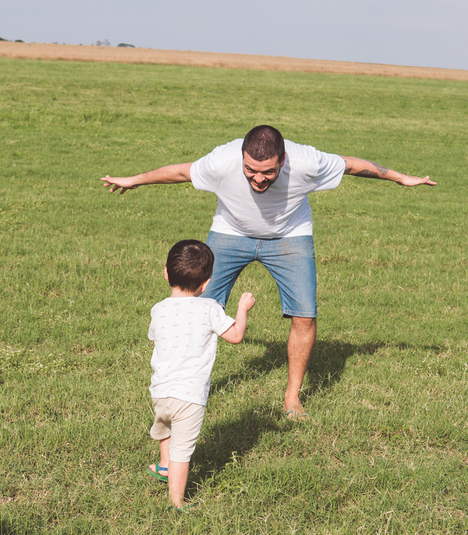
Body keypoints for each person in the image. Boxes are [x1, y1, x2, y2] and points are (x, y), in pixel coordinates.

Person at [104, 125, 436, 419]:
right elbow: (180, 172)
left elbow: (351, 165)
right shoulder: (223, 160)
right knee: (194, 306)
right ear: (241, 157)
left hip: (290, 237)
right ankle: (183, 389)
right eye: (250, 170)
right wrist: (134, 180)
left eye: (268, 172)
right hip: (230, 233)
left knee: (304, 315)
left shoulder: (307, 162)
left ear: (283, 160)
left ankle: (292, 399)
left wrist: (400, 177)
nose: (258, 178)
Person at [147, 240, 254, 509]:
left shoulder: (158, 309)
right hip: (190, 395)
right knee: (182, 451)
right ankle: (177, 500)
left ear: (166, 274)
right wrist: (242, 309)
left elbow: (154, 337)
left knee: (165, 428)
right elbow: (236, 336)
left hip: (160, 390)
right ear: (206, 283)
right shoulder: (209, 309)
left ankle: (163, 466)